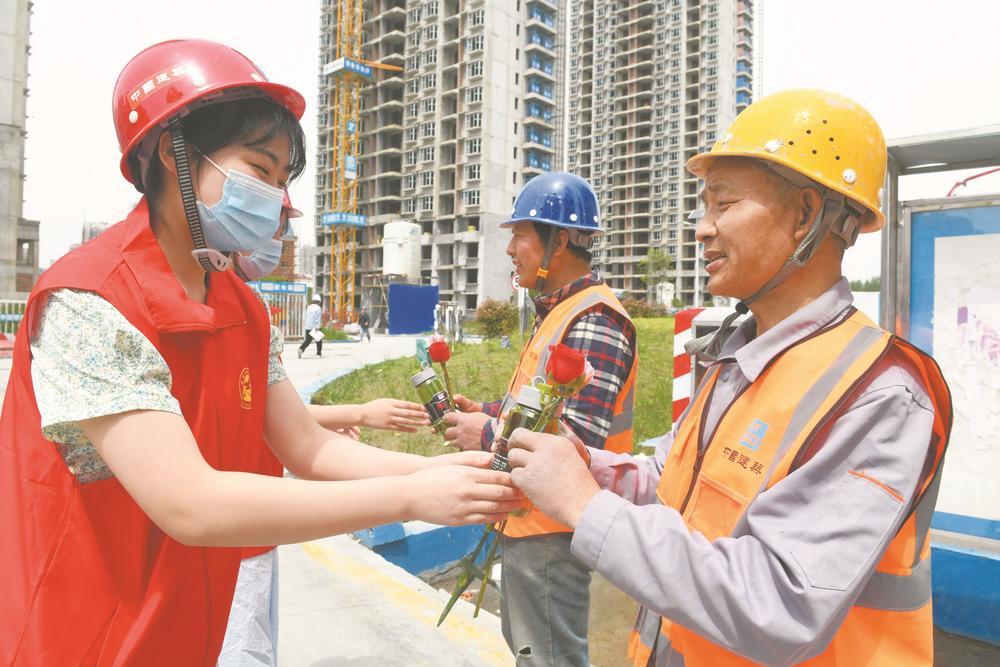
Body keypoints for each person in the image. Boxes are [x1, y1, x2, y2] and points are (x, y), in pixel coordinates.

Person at [0, 39, 521, 666]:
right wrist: (412, 499)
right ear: (173, 151)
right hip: (81, 636)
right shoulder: (90, 300)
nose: (275, 198)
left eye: (282, 179)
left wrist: (451, 473)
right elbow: (189, 503)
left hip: (183, 629)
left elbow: (309, 447)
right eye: (258, 168)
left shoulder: (242, 307)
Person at [504, 90, 952, 666]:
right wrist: (583, 467)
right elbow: (668, 482)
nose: (702, 229)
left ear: (806, 216)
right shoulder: (736, 360)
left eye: (724, 204)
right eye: (704, 207)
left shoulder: (880, 393)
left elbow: (781, 603)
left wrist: (583, 505)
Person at [442, 172, 638, 665]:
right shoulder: (558, 312)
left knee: (551, 658)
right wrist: (484, 412)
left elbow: (576, 445)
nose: (511, 249)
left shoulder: (594, 319)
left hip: (554, 529)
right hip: (531, 523)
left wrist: (486, 434)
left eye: (521, 234)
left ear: (560, 240)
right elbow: (539, 407)